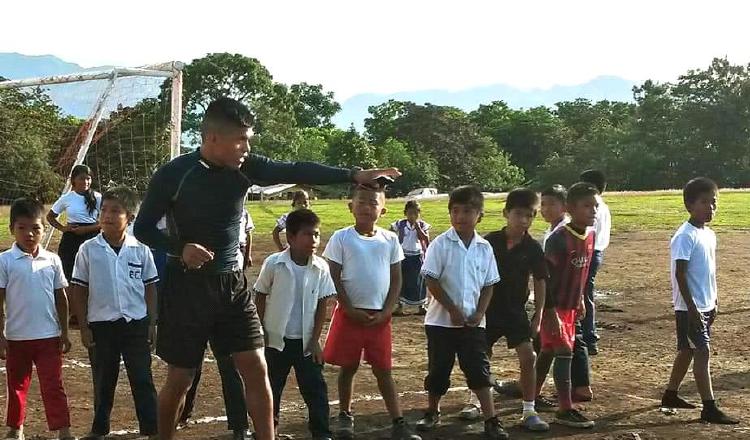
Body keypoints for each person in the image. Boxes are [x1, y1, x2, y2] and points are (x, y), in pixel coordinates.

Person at [133, 96, 400, 440]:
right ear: (213, 138)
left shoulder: (245, 166)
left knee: (256, 368)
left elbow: (295, 169)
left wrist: (353, 174)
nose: (247, 146)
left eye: (249, 139)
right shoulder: (174, 174)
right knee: (181, 377)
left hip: (232, 284)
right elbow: (142, 228)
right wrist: (179, 248)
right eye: (240, 139)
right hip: (188, 288)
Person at [322, 184, 421, 440]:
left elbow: (396, 278)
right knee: (348, 366)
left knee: (383, 369)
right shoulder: (341, 238)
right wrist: (348, 307)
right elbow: (334, 276)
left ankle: (398, 421)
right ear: (350, 206)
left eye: (373, 203)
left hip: (380, 316)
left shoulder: (389, 239)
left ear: (383, 210)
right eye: (362, 202)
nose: (367, 207)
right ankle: (345, 413)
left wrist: (388, 310)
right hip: (350, 314)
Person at [414, 185, 507, 439]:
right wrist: (452, 309)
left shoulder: (484, 248)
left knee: (479, 370)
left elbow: (489, 284)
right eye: (455, 210)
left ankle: (491, 419)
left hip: (473, 324)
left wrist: (479, 313)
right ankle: (433, 411)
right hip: (441, 323)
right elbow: (431, 280)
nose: (460, 216)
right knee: (438, 369)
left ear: (480, 215)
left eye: (467, 211)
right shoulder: (440, 244)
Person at [69, 187, 159, 440]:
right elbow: (79, 288)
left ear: (129, 217)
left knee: (142, 377)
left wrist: (152, 321)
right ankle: (99, 428)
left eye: (115, 211)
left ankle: (152, 428)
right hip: (101, 325)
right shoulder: (88, 249)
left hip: (135, 324)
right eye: (104, 210)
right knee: (103, 379)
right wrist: (84, 326)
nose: (107, 215)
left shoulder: (140, 249)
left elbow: (150, 286)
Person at [459, 188, 550, 432]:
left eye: (529, 215)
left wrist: (538, 314)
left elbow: (540, 281)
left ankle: (529, 410)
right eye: (518, 214)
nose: (523, 220)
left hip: (515, 311)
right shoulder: (489, 241)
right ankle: (474, 402)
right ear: (506, 213)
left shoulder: (532, 248)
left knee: (528, 356)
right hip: (487, 308)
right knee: (480, 356)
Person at [659, 177, 738, 424]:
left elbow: (708, 272)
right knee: (701, 352)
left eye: (714, 202)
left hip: (705, 305)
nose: (711, 207)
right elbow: (680, 274)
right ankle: (709, 407)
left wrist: (714, 301)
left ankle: (670, 394)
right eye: (704, 202)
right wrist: (692, 308)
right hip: (689, 309)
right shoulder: (685, 236)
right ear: (689, 205)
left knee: (687, 351)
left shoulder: (709, 234)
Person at [255, 209, 336, 440]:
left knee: (316, 390)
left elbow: (323, 303)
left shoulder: (321, 267)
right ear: (290, 237)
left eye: (317, 235)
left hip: (306, 342)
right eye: (307, 234)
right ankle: (269, 430)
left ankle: (321, 433)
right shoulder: (274, 263)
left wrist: (316, 340)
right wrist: (261, 330)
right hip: (275, 340)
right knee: (271, 389)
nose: (314, 240)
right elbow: (260, 294)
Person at [0, 198, 74, 440]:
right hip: (17, 337)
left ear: (44, 229)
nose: (29, 234)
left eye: (36, 228)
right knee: (17, 386)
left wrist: (64, 331)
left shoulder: (52, 260)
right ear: (12, 229)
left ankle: (63, 430)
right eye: (22, 228)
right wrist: (0, 335)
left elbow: (60, 296)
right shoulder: (4, 261)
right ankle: (15, 428)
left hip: (48, 336)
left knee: (53, 385)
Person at [535, 182, 598, 429]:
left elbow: (580, 274)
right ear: (571, 208)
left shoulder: (590, 235)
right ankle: (564, 408)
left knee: (549, 351)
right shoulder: (559, 239)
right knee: (563, 352)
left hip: (570, 307)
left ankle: (533, 394)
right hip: (555, 307)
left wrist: (580, 298)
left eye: (595, 206)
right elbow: (544, 278)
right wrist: (549, 312)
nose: (593, 211)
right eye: (587, 206)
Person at [578, 170, 612, 354]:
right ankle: (588, 335)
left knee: (583, 294)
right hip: (596, 252)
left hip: (589, 252)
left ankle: (588, 337)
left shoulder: (595, 207)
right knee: (585, 293)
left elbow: (587, 233)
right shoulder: (603, 206)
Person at [391, 200, 430, 316]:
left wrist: (418, 227)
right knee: (401, 280)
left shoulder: (423, 225)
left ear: (419, 214)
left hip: (417, 256)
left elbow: (425, 239)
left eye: (415, 213)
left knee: (418, 281)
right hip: (402, 255)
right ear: (405, 213)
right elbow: (390, 234)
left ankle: (421, 306)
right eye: (410, 213)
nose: (412, 216)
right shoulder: (400, 224)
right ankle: (400, 306)